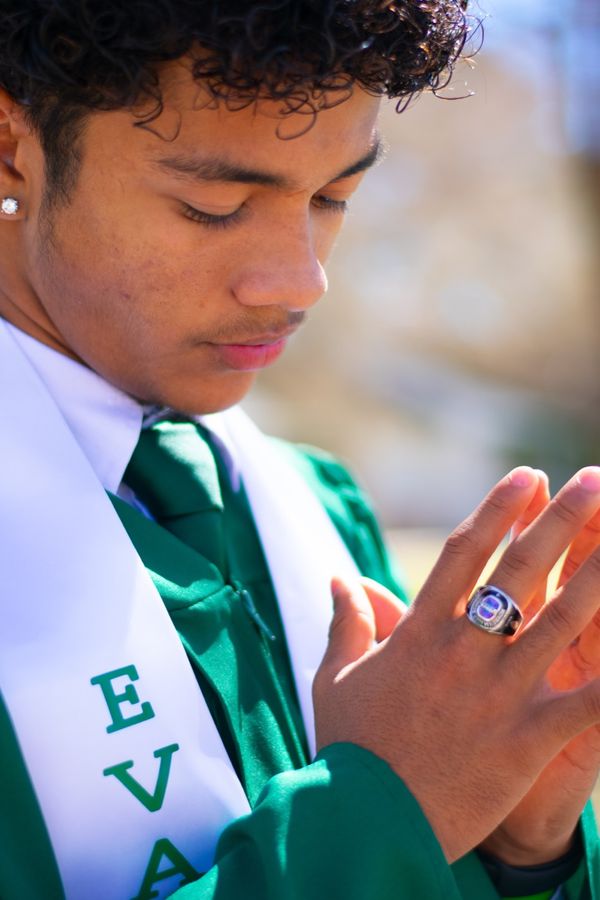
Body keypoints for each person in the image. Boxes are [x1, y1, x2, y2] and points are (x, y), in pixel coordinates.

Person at [0, 2, 599, 899]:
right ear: (13, 150)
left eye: (332, 198)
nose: (300, 277)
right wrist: (380, 815)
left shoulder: (314, 506)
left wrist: (518, 852)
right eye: (215, 207)